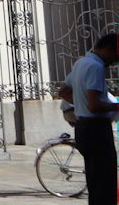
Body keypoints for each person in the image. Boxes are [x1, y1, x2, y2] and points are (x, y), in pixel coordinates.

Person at [60, 32, 119, 205]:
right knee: (105, 184)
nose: (115, 62)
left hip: (83, 128)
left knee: (94, 182)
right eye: (116, 57)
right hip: (97, 129)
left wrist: (79, 103)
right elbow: (95, 105)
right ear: (108, 49)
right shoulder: (96, 67)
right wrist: (116, 106)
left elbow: (63, 91)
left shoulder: (81, 63)